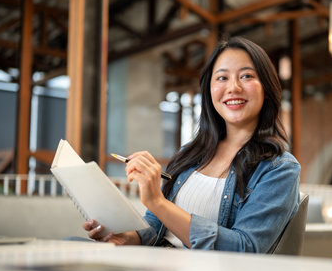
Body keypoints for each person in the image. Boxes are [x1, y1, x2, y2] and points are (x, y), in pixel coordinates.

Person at [83, 36, 301, 252]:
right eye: (222, 78)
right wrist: (126, 238)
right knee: (71, 244)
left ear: (267, 88)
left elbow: (244, 248)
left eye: (246, 76)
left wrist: (159, 203)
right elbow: (157, 226)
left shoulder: (279, 168)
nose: (233, 87)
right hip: (156, 264)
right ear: (209, 90)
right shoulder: (192, 153)